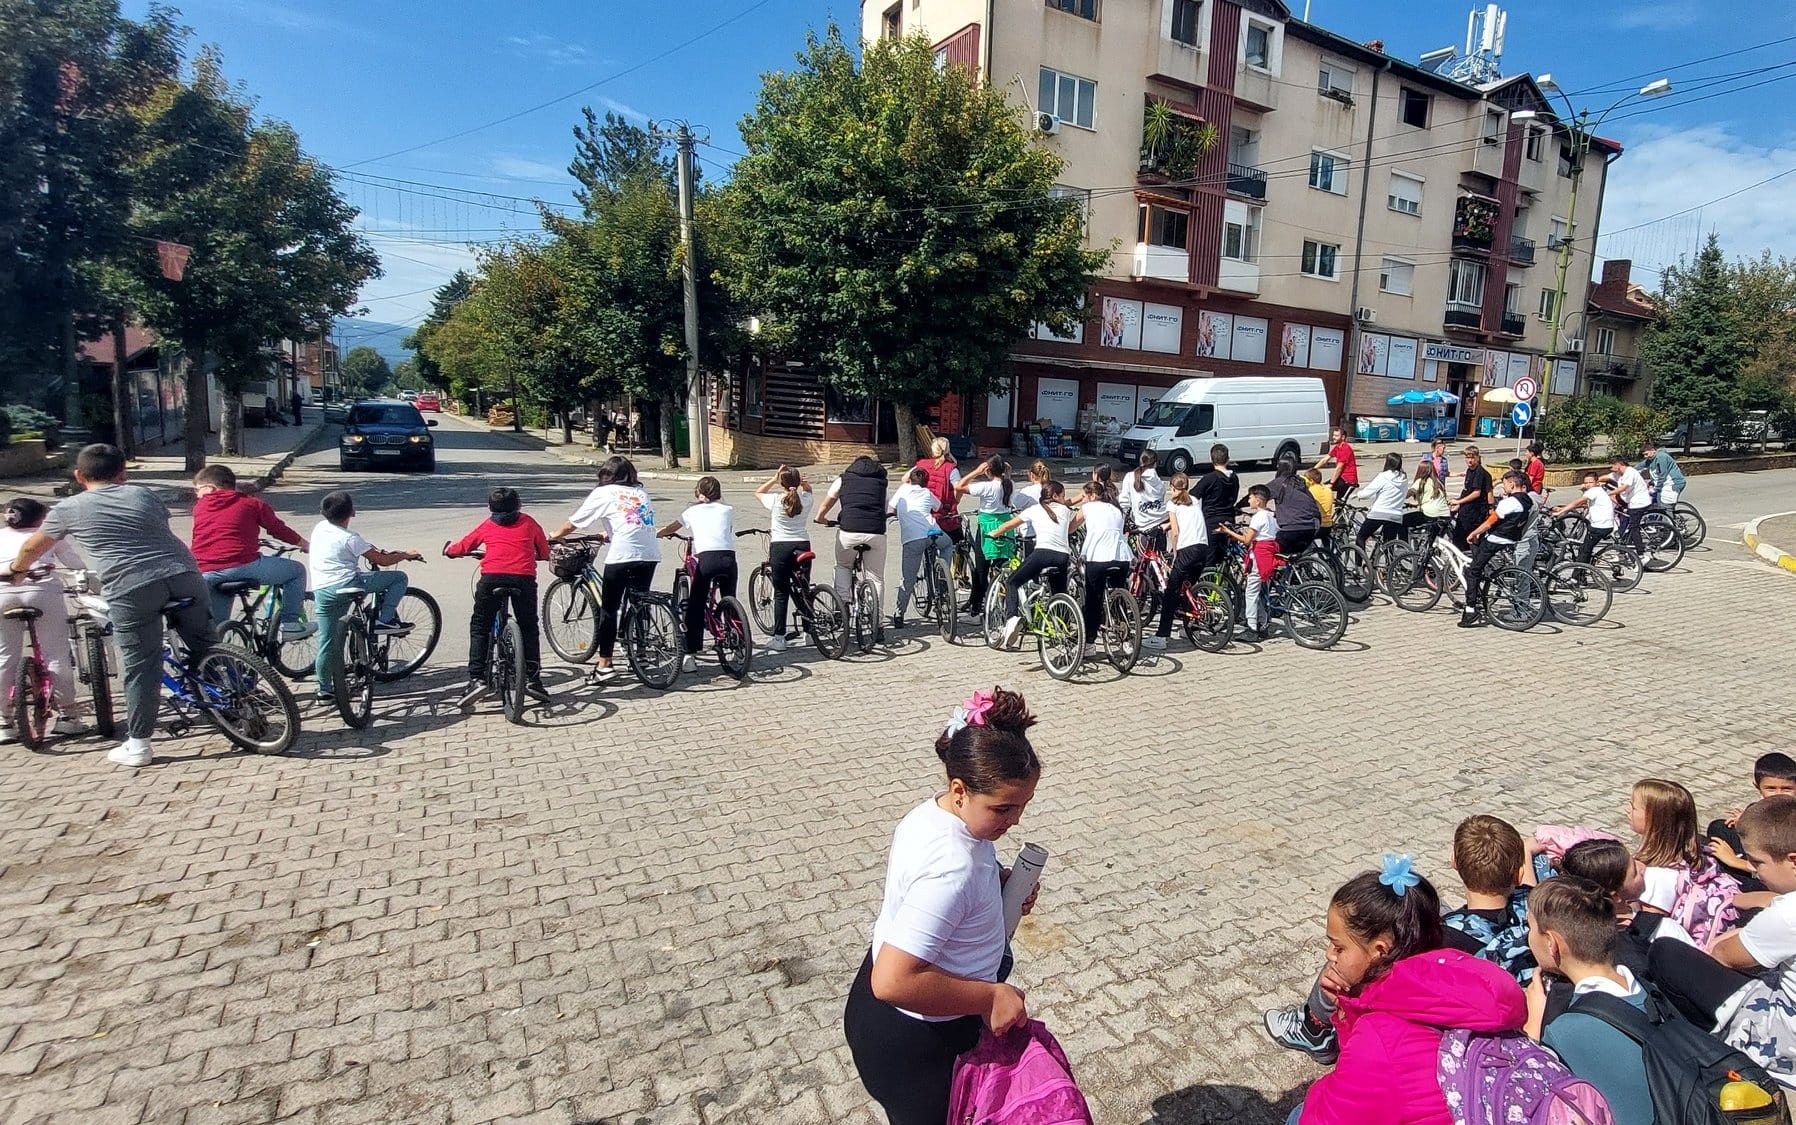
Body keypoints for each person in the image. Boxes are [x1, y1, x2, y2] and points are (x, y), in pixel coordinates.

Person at [843, 686, 1042, 1125]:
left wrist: (997, 882)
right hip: (917, 1038)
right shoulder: (954, 871)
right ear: (959, 789)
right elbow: (893, 980)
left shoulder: (934, 815)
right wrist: (991, 996)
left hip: (881, 1019)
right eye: (1003, 808)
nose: (1015, 821)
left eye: (1024, 805)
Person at [1266, 818, 1536, 1065]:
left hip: (1439, 1033)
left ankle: (1313, 1029)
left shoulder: (1444, 942)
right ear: (1519, 871)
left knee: (1345, 960)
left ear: (1454, 860)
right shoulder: (1531, 908)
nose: (1329, 952)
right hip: (1501, 1009)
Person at [7, 444, 211, 768]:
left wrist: (17, 571)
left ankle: (140, 745)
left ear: (78, 476)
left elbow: (35, 545)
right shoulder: (143, 495)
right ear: (123, 473)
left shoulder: (68, 508)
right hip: (185, 574)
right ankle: (234, 704)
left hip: (132, 587)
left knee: (141, 665)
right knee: (205, 643)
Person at [1280, 859, 1526, 1125]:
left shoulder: (1378, 1039)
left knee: (1298, 1114)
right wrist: (1349, 1006)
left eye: (1338, 947)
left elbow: (1326, 1116)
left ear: (1380, 950)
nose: (1329, 955)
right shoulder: (1451, 971)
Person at [1648, 796, 1796, 1091]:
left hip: (1785, 1037)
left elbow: (1724, 955)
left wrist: (1733, 934)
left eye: (1757, 863)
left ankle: (1710, 1052)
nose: (1753, 871)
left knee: (1667, 953)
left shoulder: (1788, 914)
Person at [1520, 876, 1655, 1125]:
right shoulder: (1650, 992)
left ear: (1552, 943)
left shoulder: (1565, 1031)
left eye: (1530, 928)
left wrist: (1533, 1032)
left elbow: (1536, 1097)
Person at [552, 456, 658, 683]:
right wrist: (608, 534)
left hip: (622, 555)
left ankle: (604, 665)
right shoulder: (641, 493)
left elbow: (574, 523)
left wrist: (555, 536)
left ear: (606, 476)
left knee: (609, 609)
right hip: (650, 554)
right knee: (639, 602)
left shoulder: (604, 492)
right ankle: (641, 654)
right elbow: (633, 522)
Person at [309, 491, 422, 701]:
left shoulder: (319, 528)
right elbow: (383, 560)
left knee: (327, 640)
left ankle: (324, 689)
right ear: (352, 512)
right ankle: (384, 620)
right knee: (398, 578)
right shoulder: (350, 538)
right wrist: (406, 554)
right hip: (348, 584)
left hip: (323, 590)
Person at [444, 487, 550, 707]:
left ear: (491, 508)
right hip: (523, 579)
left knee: (480, 626)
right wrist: (535, 554)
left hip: (492, 579)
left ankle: (477, 679)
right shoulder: (529, 522)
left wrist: (449, 551)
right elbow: (545, 552)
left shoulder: (488, 525)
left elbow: (463, 546)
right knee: (529, 626)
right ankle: (533, 680)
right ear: (519, 505)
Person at [189, 464, 313, 640]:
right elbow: (278, 530)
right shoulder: (252, 504)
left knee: (217, 631)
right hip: (242, 565)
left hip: (206, 572)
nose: (197, 495)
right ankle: (291, 625)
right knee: (297, 571)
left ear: (210, 488)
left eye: (197, 490)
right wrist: (305, 544)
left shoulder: (199, 508)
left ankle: (220, 660)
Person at [0, 499, 87, 743]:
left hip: (2, 591)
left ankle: (4, 720)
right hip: (41, 589)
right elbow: (76, 565)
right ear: (40, 519)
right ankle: (68, 717)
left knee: (5, 655)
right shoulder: (48, 535)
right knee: (56, 653)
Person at [1441, 815, 1537, 984]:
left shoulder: (1446, 933)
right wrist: (1526, 854)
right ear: (1518, 874)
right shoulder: (1537, 907)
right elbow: (1530, 888)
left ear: (1454, 861)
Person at [657, 476, 736, 674]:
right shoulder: (728, 510)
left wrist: (659, 533)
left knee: (696, 605)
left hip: (707, 560)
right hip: (728, 559)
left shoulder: (691, 512)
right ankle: (738, 645)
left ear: (699, 493)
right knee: (729, 601)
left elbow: (671, 528)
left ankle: (690, 656)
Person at [990, 481, 1072, 650]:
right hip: (1063, 556)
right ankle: (1064, 635)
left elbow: (1009, 525)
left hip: (1042, 554)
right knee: (1060, 593)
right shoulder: (1065, 510)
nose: (1064, 499)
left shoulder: (1034, 509)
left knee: (1012, 581)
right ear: (1056, 496)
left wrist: (994, 533)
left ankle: (1012, 619)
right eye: (1063, 496)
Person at [816, 456, 891, 638]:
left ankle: (842, 610)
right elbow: (886, 507)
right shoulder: (881, 483)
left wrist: (821, 518)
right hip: (875, 532)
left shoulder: (843, 480)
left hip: (849, 531)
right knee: (875, 577)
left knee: (843, 566)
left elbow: (827, 503)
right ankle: (877, 623)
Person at [1709, 753, 1796, 895]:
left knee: (1728, 875)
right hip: (1759, 861)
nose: (1778, 794)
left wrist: (1733, 861)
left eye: (1787, 789)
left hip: (1780, 880)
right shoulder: (1758, 808)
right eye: (1771, 789)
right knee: (1719, 827)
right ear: (1757, 786)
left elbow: (1780, 865)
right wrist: (1745, 823)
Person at [1458, 470, 1531, 628]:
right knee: (1478, 558)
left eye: (1504, 484)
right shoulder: (1527, 500)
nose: (1503, 488)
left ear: (1512, 484)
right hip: (1511, 538)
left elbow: (1490, 522)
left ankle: (1470, 610)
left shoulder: (1509, 503)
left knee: (1472, 571)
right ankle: (1482, 583)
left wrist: (1474, 533)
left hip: (1496, 538)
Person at [1072, 479, 1132, 658]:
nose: (1083, 500)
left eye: (1084, 496)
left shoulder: (1089, 507)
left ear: (1092, 495)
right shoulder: (1116, 509)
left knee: (1093, 601)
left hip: (1098, 558)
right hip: (1121, 558)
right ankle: (1126, 639)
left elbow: (1072, 526)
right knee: (1119, 597)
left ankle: (1089, 644)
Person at [1627, 778, 1704, 918]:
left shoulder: (1657, 877)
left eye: (1633, 807)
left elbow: (1649, 927)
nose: (1627, 810)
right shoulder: (1694, 855)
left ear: (1652, 819)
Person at [755, 465, 812, 653]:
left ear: (782, 483)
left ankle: (779, 639)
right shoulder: (805, 499)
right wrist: (803, 484)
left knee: (781, 593)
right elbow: (809, 490)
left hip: (781, 547)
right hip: (802, 545)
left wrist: (773, 479)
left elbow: (759, 492)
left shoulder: (775, 500)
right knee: (804, 589)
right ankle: (809, 634)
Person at [1147, 473, 1207, 651]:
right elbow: (1188, 520)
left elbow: (1176, 531)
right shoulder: (1195, 500)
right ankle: (1190, 626)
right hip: (1203, 548)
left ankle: (1161, 636)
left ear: (1172, 488)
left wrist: (1174, 551)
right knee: (1187, 588)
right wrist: (1165, 526)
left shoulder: (1172, 504)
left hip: (1187, 550)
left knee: (1170, 592)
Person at [1215, 484, 1278, 641]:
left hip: (1259, 556)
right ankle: (1263, 623)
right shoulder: (1271, 515)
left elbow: (1247, 539)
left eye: (1250, 497)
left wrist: (1228, 532)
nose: (1248, 500)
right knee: (1263, 591)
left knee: (1250, 593)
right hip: (1270, 556)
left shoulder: (1258, 517)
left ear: (1258, 500)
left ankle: (1251, 628)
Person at [954, 457, 1014, 618]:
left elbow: (959, 486)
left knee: (982, 568)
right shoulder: (1009, 485)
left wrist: (976, 472)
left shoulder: (986, 487)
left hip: (987, 528)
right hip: (1005, 527)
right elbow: (1006, 479)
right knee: (1003, 565)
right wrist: (1007, 473)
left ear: (988, 471)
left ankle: (977, 604)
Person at [888, 467, 942, 630]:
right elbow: (938, 507)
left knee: (908, 578)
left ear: (910, 479)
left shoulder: (903, 489)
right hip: (933, 533)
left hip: (913, 539)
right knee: (947, 546)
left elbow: (891, 507)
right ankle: (942, 575)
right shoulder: (927, 493)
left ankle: (899, 613)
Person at [1553, 471, 1617, 565]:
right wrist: (1563, 508)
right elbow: (1582, 504)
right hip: (1605, 525)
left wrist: (1560, 512)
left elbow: (1578, 502)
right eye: (1586, 483)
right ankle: (1587, 567)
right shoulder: (1599, 491)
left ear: (1597, 483)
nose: (1587, 485)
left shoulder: (1594, 491)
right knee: (1585, 548)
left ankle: (1577, 576)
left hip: (1600, 526)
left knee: (1584, 551)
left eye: (1590, 482)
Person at [1193, 444, 1239, 572]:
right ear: (1228, 459)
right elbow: (1234, 496)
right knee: (1225, 555)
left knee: (1210, 557)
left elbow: (1193, 495)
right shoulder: (1234, 478)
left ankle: (1209, 586)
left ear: (1211, 459)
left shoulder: (1209, 479)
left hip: (1211, 520)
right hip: (1229, 518)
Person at [914, 437, 962, 549]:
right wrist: (956, 500)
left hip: (925, 514)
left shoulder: (921, 465)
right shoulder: (951, 468)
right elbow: (958, 488)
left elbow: (905, 478)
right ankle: (948, 565)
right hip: (945, 514)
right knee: (958, 543)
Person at [1267, 457, 1322, 557]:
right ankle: (1302, 568)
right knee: (1298, 554)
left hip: (1292, 529)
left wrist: (1238, 506)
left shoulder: (1279, 483)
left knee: (1268, 550)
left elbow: (1259, 494)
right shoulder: (1300, 482)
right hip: (1313, 525)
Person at [1353, 453, 1408, 548]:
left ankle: (1359, 563)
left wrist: (1358, 495)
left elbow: (1367, 492)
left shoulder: (1383, 476)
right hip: (1396, 515)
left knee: (1361, 537)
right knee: (1388, 542)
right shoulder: (1404, 478)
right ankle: (1391, 562)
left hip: (1379, 513)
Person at [1119, 449, 1168, 552]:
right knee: (1160, 557)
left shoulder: (1130, 477)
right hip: (1161, 522)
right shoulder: (1160, 483)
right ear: (1155, 464)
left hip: (1143, 525)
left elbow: (1124, 503)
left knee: (1142, 563)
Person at [1606, 455, 1652, 556]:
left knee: (1633, 527)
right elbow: (1606, 477)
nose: (1611, 468)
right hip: (1630, 501)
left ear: (1619, 464)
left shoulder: (1630, 472)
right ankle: (1623, 549)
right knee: (1624, 521)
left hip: (1639, 503)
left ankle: (1641, 553)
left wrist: (1608, 493)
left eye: (1613, 465)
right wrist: (1594, 483)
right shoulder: (1619, 473)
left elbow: (1624, 488)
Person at [1448, 445, 1492, 549]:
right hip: (1466, 510)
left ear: (1477, 457)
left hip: (1474, 512)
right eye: (1467, 458)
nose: (1470, 460)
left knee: (1467, 540)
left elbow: (1476, 493)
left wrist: (1459, 502)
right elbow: (1466, 491)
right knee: (1458, 539)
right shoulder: (1469, 471)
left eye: (1472, 458)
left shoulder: (1479, 472)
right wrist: (1458, 503)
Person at [1406, 460, 1451, 540]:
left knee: (1403, 521)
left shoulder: (1420, 481)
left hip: (1430, 514)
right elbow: (1431, 499)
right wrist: (1416, 504)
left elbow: (1408, 494)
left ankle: (1403, 547)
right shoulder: (1438, 482)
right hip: (1445, 514)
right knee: (1433, 539)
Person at [1315, 426, 1360, 502]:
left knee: (1324, 489)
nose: (1333, 437)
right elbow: (1325, 460)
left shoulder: (1346, 448)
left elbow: (1339, 468)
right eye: (1333, 435)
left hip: (1348, 480)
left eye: (1336, 436)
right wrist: (1313, 469)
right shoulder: (1337, 447)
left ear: (1343, 437)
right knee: (1322, 489)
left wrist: (1332, 483)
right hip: (1341, 478)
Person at [1639, 439, 1685, 505]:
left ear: (1653, 450)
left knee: (1665, 505)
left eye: (1646, 454)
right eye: (1644, 455)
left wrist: (1657, 488)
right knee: (1657, 501)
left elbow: (1663, 475)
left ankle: (1668, 514)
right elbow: (1641, 465)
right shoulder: (1651, 459)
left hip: (1673, 483)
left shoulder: (1661, 457)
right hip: (1667, 483)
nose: (1645, 456)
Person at [1304, 467, 1336, 536]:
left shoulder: (1310, 491)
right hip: (1328, 525)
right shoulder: (1328, 490)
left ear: (1311, 481)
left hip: (1317, 526)